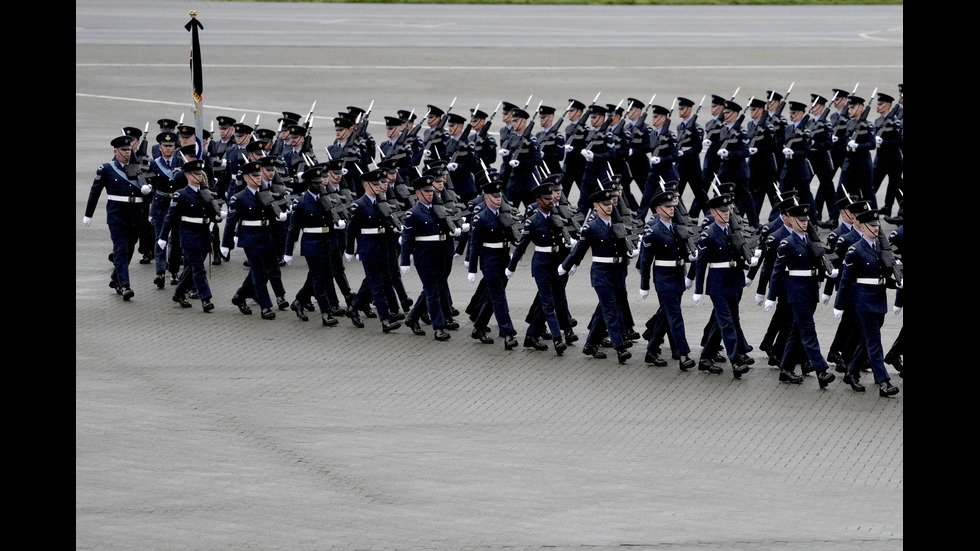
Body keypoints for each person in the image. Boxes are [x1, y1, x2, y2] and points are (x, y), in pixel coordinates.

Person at [765, 203, 837, 388]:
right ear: (792, 220)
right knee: (808, 331)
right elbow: (776, 271)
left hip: (811, 291)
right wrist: (771, 296)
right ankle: (821, 370)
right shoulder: (787, 243)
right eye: (800, 220)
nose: (804, 224)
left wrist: (826, 273)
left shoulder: (810, 241)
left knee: (796, 332)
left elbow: (817, 263)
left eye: (806, 221)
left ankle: (786, 370)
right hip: (796, 293)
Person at [833, 209, 900, 397]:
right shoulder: (856, 249)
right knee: (874, 342)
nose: (876, 228)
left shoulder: (881, 248)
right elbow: (846, 280)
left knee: (866, 340)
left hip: (879, 299)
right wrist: (839, 305)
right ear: (862, 227)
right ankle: (884, 382)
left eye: (877, 225)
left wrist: (897, 281)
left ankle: (851, 372)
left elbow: (886, 274)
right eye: (872, 226)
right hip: (864, 302)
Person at [560, 189, 632, 364]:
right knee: (611, 310)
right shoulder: (591, 227)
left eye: (610, 204)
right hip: (601, 274)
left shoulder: (617, 223)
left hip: (617, 273)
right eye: (605, 205)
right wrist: (565, 266)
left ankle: (590, 344)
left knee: (603, 310)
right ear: (596, 206)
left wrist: (631, 251)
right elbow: (580, 250)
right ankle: (620, 347)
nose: (609, 207)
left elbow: (624, 244)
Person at [83, 135, 153, 301]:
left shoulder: (139, 168)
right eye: (123, 150)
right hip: (117, 215)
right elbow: (95, 192)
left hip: (135, 215)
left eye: (129, 150)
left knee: (129, 249)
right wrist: (88, 214)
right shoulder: (106, 169)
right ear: (115, 151)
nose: (127, 153)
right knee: (120, 249)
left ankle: (116, 279)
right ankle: (124, 286)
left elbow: (150, 193)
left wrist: (148, 190)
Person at [507, 182, 573, 355]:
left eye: (551, 198)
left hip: (557, 265)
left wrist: (569, 263)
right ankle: (558, 340)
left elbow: (562, 242)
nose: (551, 201)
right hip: (542, 266)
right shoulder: (532, 221)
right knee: (548, 304)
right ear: (538, 200)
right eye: (547, 199)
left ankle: (530, 336)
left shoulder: (556, 217)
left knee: (557, 300)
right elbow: (521, 246)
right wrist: (511, 267)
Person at [692, 193, 752, 378]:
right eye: (722, 211)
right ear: (713, 212)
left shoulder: (733, 230)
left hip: (734, 281)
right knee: (726, 323)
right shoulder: (709, 233)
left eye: (728, 210)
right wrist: (698, 290)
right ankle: (735, 360)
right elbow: (701, 263)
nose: (727, 214)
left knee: (727, 320)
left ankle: (705, 358)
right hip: (718, 284)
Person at [221, 161, 288, 320]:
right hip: (250, 238)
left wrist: (281, 216)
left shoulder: (266, 193)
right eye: (255, 176)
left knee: (270, 269)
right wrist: (226, 244)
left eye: (259, 176)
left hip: (266, 236)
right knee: (258, 272)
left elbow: (272, 214)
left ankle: (240, 295)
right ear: (246, 178)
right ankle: (266, 307)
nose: (259, 179)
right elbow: (230, 222)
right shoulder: (239, 198)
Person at [638, 188, 696, 370]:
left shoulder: (677, 228)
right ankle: (684, 354)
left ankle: (651, 350)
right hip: (663, 279)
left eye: (672, 206)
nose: (672, 209)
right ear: (657, 209)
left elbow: (682, 252)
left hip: (677, 277)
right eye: (667, 207)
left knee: (665, 315)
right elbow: (645, 261)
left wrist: (691, 258)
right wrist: (644, 285)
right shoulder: (653, 232)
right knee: (675, 316)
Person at [283, 166, 346, 327]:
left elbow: (332, 217)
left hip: (327, 242)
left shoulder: (324, 198)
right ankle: (326, 312)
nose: (320, 186)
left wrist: (337, 225)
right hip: (312, 244)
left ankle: (299, 301)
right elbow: (293, 228)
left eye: (321, 183)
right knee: (319, 278)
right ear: (309, 184)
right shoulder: (302, 202)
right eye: (316, 183)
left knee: (321, 275)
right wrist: (288, 252)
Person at [156, 159, 220, 312]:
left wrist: (218, 215)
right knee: (199, 268)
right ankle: (206, 299)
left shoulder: (206, 193)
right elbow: (170, 217)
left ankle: (178, 293)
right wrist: (163, 237)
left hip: (204, 233)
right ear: (187, 175)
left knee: (192, 268)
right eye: (195, 174)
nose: (199, 176)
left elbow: (211, 213)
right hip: (189, 234)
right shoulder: (181, 194)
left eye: (200, 174)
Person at [345, 169, 402, 333]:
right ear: (365, 185)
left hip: (383, 248)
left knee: (377, 280)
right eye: (375, 184)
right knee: (377, 284)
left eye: (379, 184)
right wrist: (350, 250)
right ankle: (385, 320)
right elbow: (351, 229)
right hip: (368, 249)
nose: (379, 186)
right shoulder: (359, 205)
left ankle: (353, 307)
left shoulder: (381, 202)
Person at [466, 180, 520, 349]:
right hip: (489, 261)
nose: (498, 200)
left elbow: (513, 235)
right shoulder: (480, 217)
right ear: (486, 197)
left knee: (493, 296)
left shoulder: (505, 213)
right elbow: (474, 244)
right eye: (494, 197)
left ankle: (479, 327)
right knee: (499, 298)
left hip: (504, 259)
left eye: (500, 197)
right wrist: (472, 269)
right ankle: (508, 333)